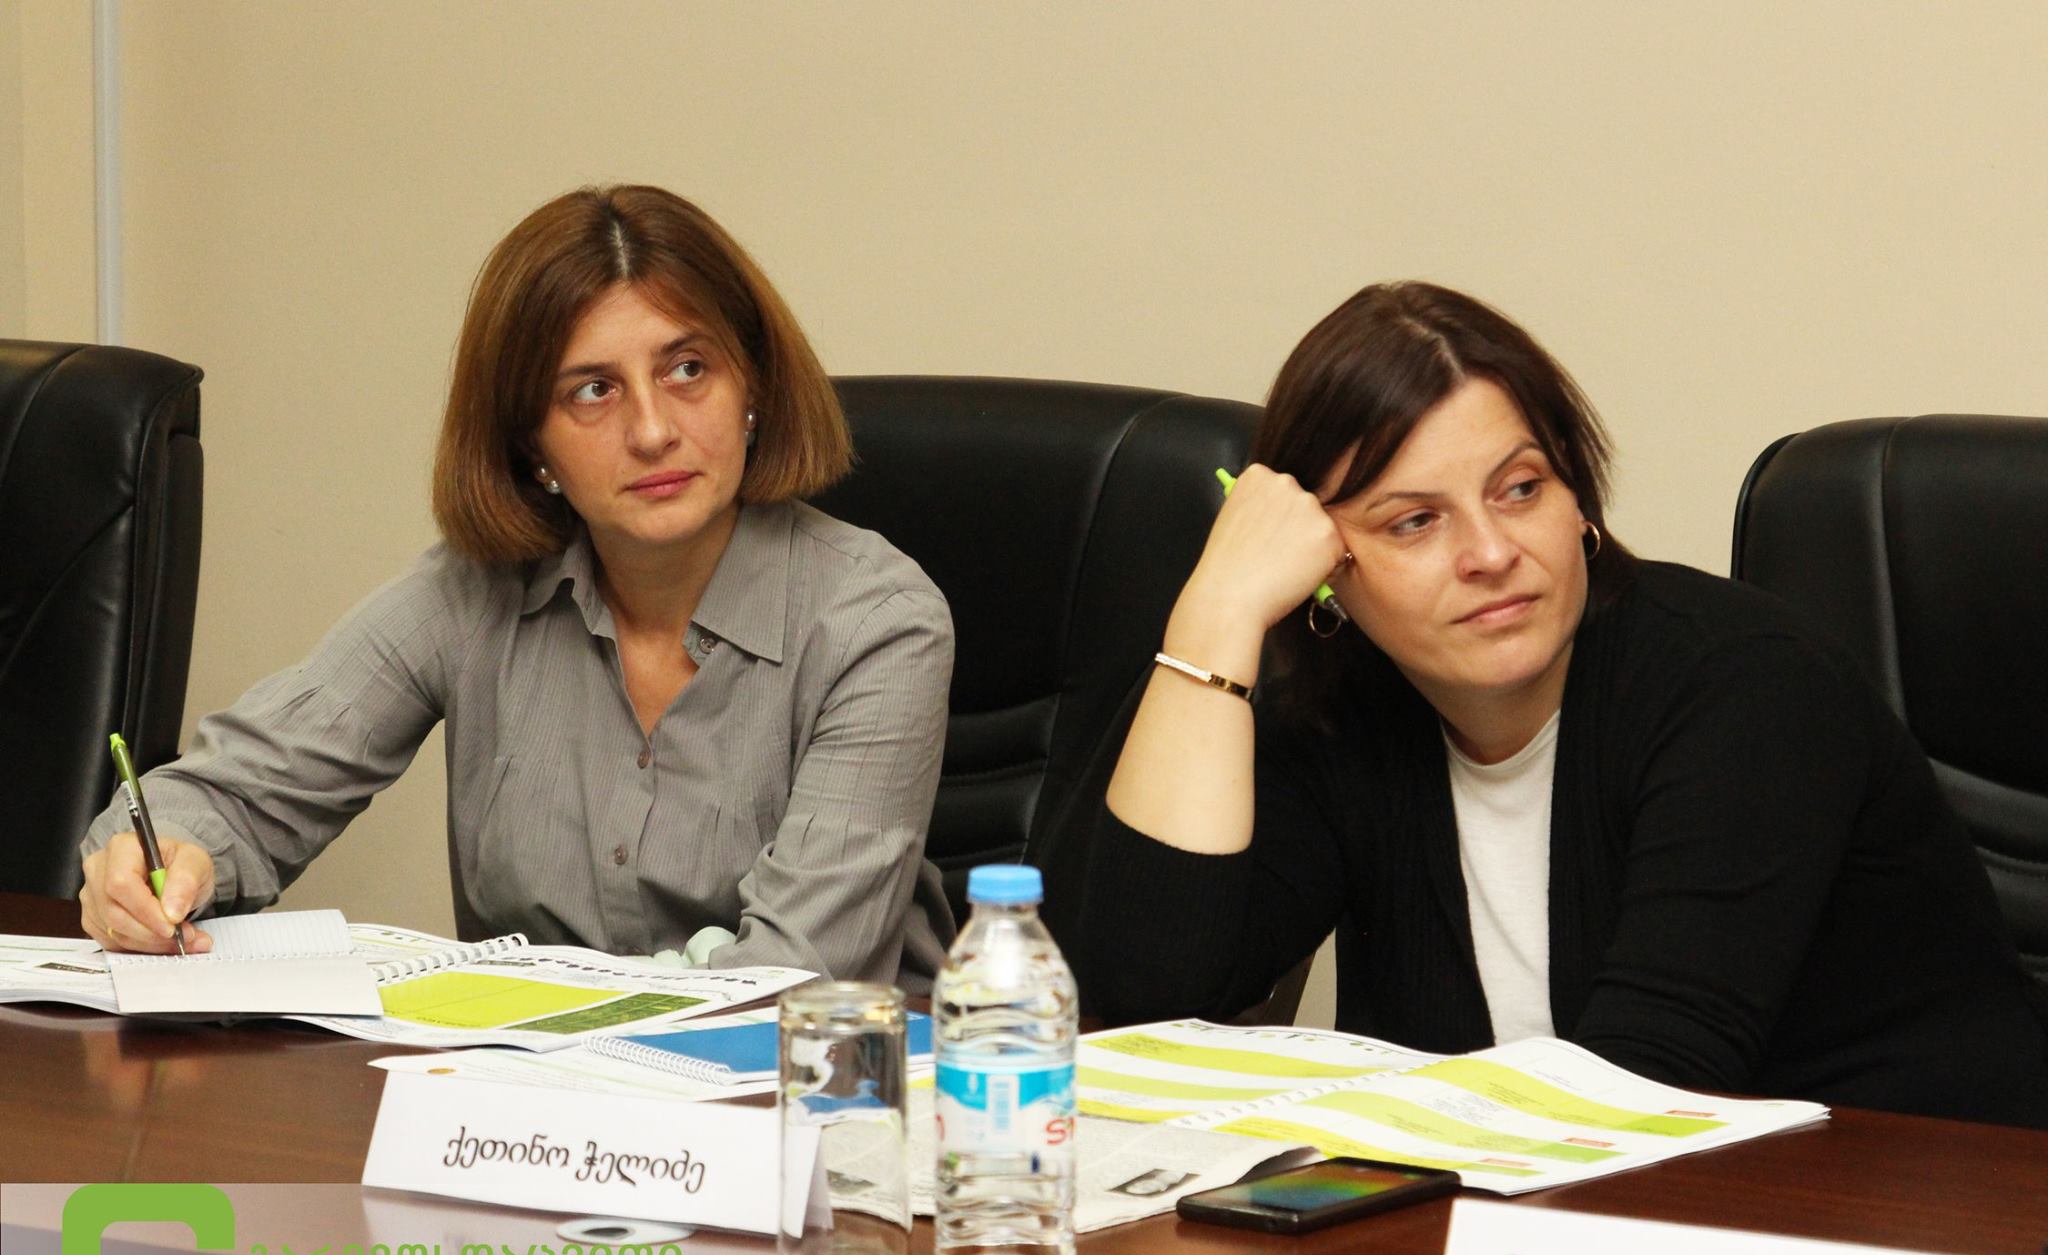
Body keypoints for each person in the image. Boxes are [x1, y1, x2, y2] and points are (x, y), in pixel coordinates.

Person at [1083, 281, 2048, 1127]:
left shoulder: (1746, 685)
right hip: (1556, 1235)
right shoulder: (1346, 719)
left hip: (1907, 1229)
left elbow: (1645, 1091)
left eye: (1520, 488)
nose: (1491, 552)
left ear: (1578, 498)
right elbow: (1144, 1012)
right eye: (1414, 521)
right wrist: (1216, 616)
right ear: (1325, 561)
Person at [77, 185, 955, 990]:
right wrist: (152, 865)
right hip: (525, 1098)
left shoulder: (875, 622)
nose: (653, 430)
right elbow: (224, 795)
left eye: (688, 368)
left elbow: (791, 980)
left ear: (751, 386)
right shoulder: (471, 594)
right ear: (531, 443)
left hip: (819, 1096)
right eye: (594, 390)